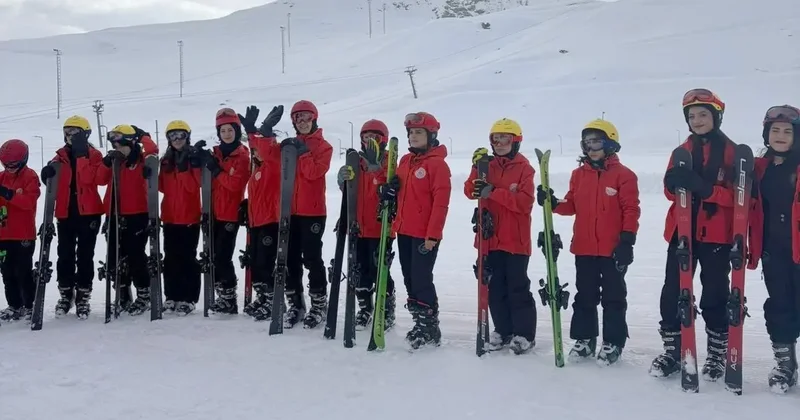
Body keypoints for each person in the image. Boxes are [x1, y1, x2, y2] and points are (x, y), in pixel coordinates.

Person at [650, 88, 737, 381]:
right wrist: (673, 185)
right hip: (682, 232)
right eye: (692, 116)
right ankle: (674, 351)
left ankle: (716, 354)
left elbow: (742, 198)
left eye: (703, 114)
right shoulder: (682, 151)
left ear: (716, 116)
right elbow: (668, 191)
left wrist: (707, 189)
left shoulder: (732, 153)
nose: (697, 120)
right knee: (673, 291)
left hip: (716, 235)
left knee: (715, 293)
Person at [537, 119, 640, 365]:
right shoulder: (578, 175)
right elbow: (572, 204)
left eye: (597, 141)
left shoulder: (624, 176)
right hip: (584, 247)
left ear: (610, 143)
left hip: (612, 249)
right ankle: (584, 339)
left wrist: (627, 241)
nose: (591, 147)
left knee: (613, 297)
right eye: (587, 143)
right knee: (584, 295)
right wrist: (552, 202)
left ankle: (613, 341)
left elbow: (631, 210)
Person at [378, 111, 451, 350]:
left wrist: (433, 236)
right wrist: (391, 189)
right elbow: (399, 191)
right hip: (404, 230)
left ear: (431, 135)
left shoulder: (437, 165)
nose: (413, 136)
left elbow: (441, 203)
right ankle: (419, 322)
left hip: (424, 234)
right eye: (411, 132)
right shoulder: (405, 162)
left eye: (419, 132)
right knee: (409, 277)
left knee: (421, 278)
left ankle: (430, 327)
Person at [464, 118, 537, 355]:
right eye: (496, 139)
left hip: (515, 240)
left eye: (505, 139)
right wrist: (476, 168)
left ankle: (524, 333)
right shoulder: (487, 165)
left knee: (517, 286)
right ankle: (503, 330)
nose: (500, 143)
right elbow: (469, 191)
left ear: (515, 141)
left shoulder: (525, 168)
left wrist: (493, 193)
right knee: (493, 287)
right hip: (489, 237)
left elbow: (524, 203)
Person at [747, 104, 800, 393]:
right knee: (780, 306)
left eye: (787, 131)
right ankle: (785, 364)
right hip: (772, 249)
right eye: (774, 130)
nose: (780, 136)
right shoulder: (758, 167)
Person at [40, 115, 105, 319]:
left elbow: (93, 179)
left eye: (74, 132)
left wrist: (81, 157)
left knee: (85, 255)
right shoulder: (59, 157)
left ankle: (83, 295)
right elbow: (54, 186)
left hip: (89, 212)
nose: (70, 136)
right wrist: (47, 175)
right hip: (66, 212)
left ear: (85, 134)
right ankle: (66, 293)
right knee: (65, 255)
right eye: (67, 132)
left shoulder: (94, 155)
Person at [336, 119, 397, 331]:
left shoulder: (391, 162)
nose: (370, 141)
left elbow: (390, 190)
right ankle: (365, 308)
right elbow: (351, 193)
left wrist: (376, 168)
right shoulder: (357, 162)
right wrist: (343, 180)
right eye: (366, 137)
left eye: (375, 137)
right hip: (358, 227)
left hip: (381, 227)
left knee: (380, 269)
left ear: (384, 140)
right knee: (359, 270)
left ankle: (385, 309)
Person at [279, 100, 333, 329]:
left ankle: (319, 303)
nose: (302, 122)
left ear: (314, 119)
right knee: (289, 258)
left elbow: (314, 173)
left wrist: (303, 153)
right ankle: (296, 303)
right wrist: (258, 134)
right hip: (290, 211)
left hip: (313, 212)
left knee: (311, 258)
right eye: (297, 118)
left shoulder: (324, 146)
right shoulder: (288, 145)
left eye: (306, 117)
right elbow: (267, 160)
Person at [99, 124, 158, 316]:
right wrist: (106, 163)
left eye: (121, 145)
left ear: (131, 143)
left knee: (135, 255)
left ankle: (144, 292)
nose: (118, 149)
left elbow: (153, 152)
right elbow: (99, 179)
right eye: (115, 145)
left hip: (137, 214)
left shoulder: (141, 160)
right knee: (115, 255)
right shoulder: (115, 161)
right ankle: (122, 292)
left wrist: (144, 137)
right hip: (114, 213)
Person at [237, 104, 283, 321]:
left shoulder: (273, 164)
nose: (256, 152)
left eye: (259, 149)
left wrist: (263, 130)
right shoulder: (256, 168)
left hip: (269, 222)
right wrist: (250, 131)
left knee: (266, 262)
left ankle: (275, 300)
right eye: (253, 149)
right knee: (255, 261)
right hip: (255, 221)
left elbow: (266, 149)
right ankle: (263, 296)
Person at [204, 108, 251, 315]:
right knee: (213, 255)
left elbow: (235, 184)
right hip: (213, 212)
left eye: (230, 130)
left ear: (237, 130)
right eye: (222, 130)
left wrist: (217, 171)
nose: (226, 134)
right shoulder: (216, 153)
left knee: (223, 256)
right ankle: (222, 294)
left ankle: (229, 298)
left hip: (230, 213)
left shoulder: (242, 155)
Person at [158, 120, 203, 316]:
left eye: (180, 135)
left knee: (187, 258)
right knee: (170, 259)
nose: (177, 140)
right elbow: (161, 186)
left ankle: (189, 297)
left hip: (189, 217)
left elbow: (195, 187)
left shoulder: (193, 157)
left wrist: (185, 169)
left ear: (187, 137)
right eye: (172, 136)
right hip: (169, 216)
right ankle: (172, 296)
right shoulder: (166, 160)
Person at [0, 139, 40, 321]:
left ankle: (29, 304)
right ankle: (14, 305)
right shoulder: (1, 177)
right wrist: (12, 195)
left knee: (23, 271)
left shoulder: (30, 177)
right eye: (5, 165)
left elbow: (28, 202)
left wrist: (9, 195)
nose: (9, 168)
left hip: (23, 235)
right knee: (7, 271)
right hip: (3, 234)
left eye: (13, 165)